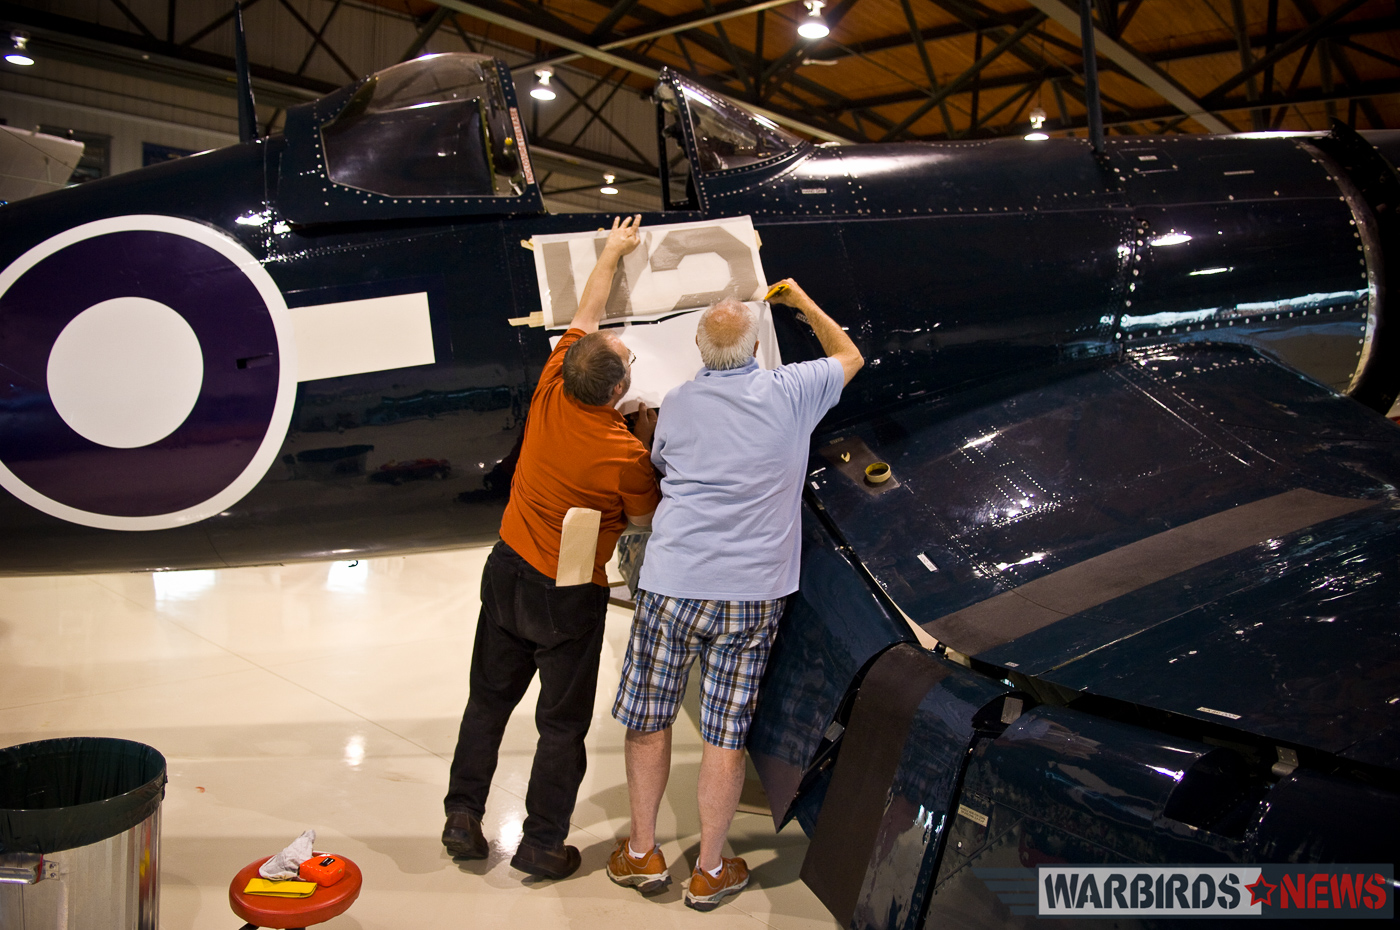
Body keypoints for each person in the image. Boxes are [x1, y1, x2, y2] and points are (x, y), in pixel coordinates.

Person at [607, 279, 863, 910]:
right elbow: (850, 355)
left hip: (673, 585)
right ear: (757, 349)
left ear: (698, 348)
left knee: (648, 719)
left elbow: (662, 465)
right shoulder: (793, 392)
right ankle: (712, 869)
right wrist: (802, 302)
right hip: (753, 594)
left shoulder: (679, 402)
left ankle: (642, 853)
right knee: (725, 735)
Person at [442, 215, 660, 881]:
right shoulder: (624, 453)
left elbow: (586, 308)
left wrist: (613, 251)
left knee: (487, 701)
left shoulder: (553, 379)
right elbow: (648, 519)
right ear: (619, 392)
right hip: (566, 595)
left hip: (506, 569)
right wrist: (649, 438)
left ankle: (461, 814)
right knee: (560, 726)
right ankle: (541, 844)